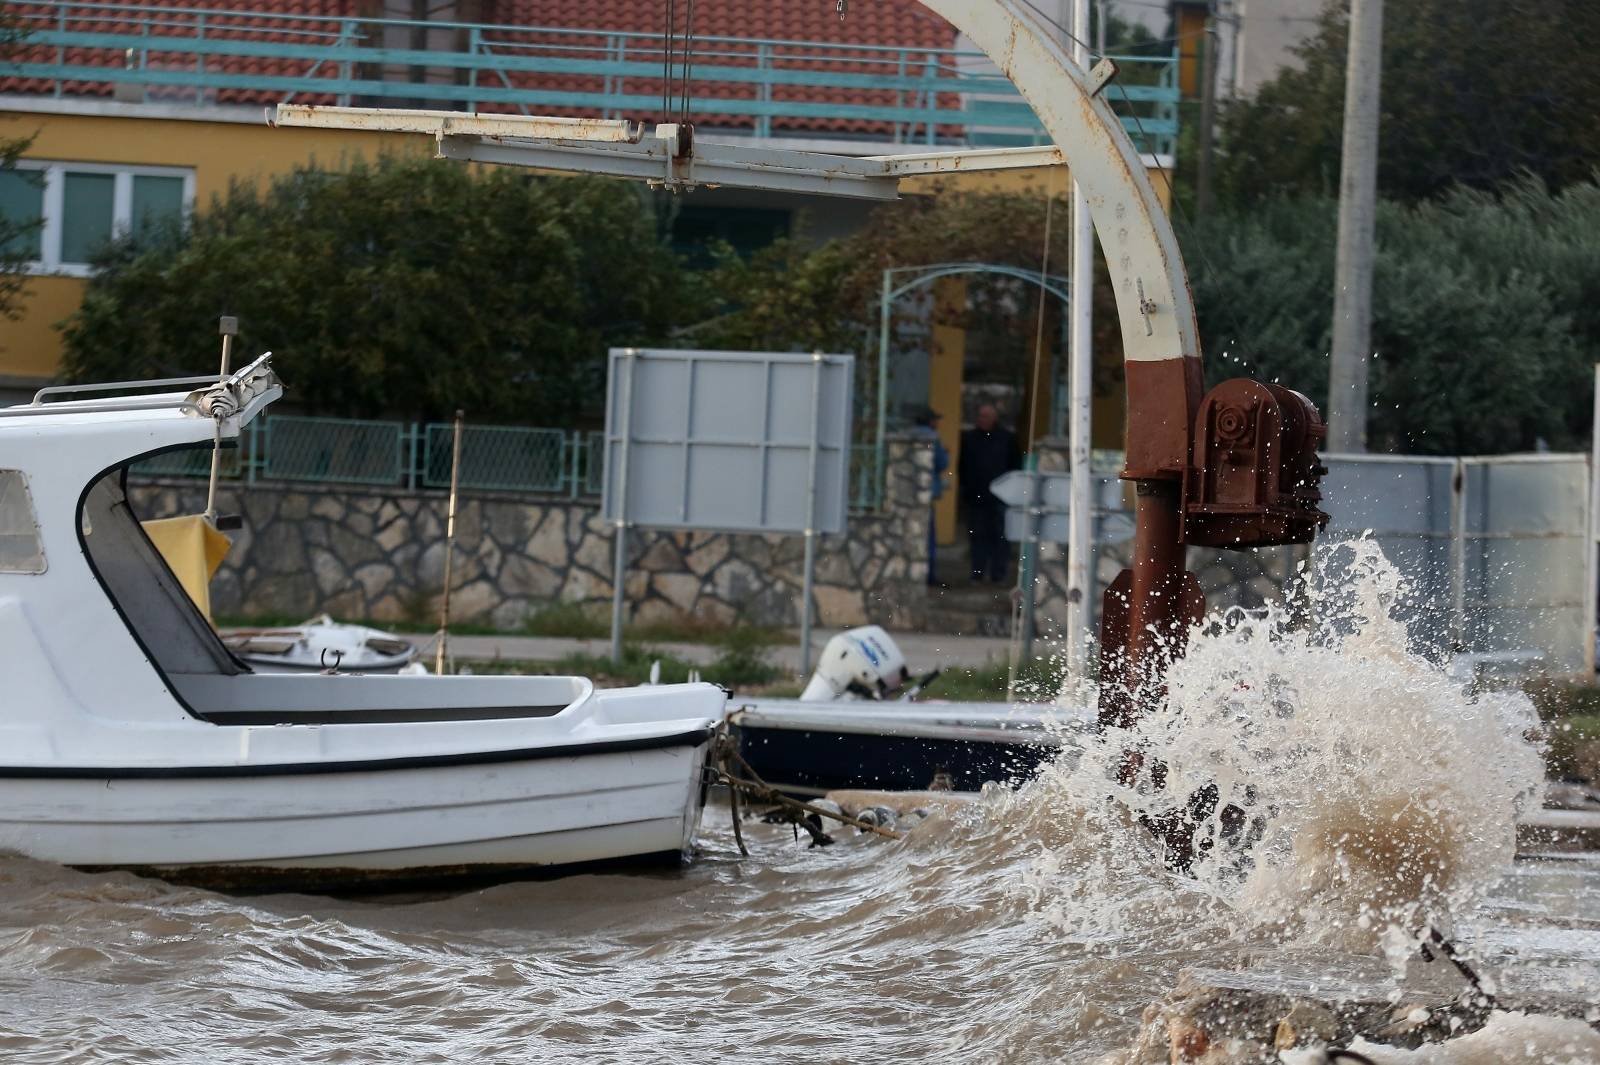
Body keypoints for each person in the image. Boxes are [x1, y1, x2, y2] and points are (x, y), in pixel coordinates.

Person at [958, 403, 1020, 584]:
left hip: (1001, 498)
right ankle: (977, 573)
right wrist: (965, 490)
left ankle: (998, 575)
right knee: (977, 536)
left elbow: (1014, 465)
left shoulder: (1007, 439)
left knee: (1000, 537)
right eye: (980, 416)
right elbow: (962, 466)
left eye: (986, 416)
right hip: (977, 497)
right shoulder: (969, 438)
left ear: (995, 418)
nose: (982, 420)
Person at [909, 406, 949, 586]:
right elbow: (941, 463)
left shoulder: (907, 434)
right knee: (928, 537)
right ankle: (929, 575)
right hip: (926, 493)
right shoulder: (932, 438)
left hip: (906, 493)